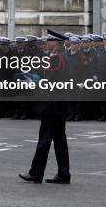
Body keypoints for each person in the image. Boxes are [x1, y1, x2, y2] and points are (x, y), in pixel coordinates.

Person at [19, 29, 71, 184]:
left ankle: (36, 172)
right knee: (59, 140)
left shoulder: (58, 58)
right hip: (57, 103)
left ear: (57, 43)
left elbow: (52, 80)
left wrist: (34, 82)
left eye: (50, 40)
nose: (47, 43)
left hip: (53, 104)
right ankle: (64, 173)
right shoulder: (57, 57)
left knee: (44, 140)